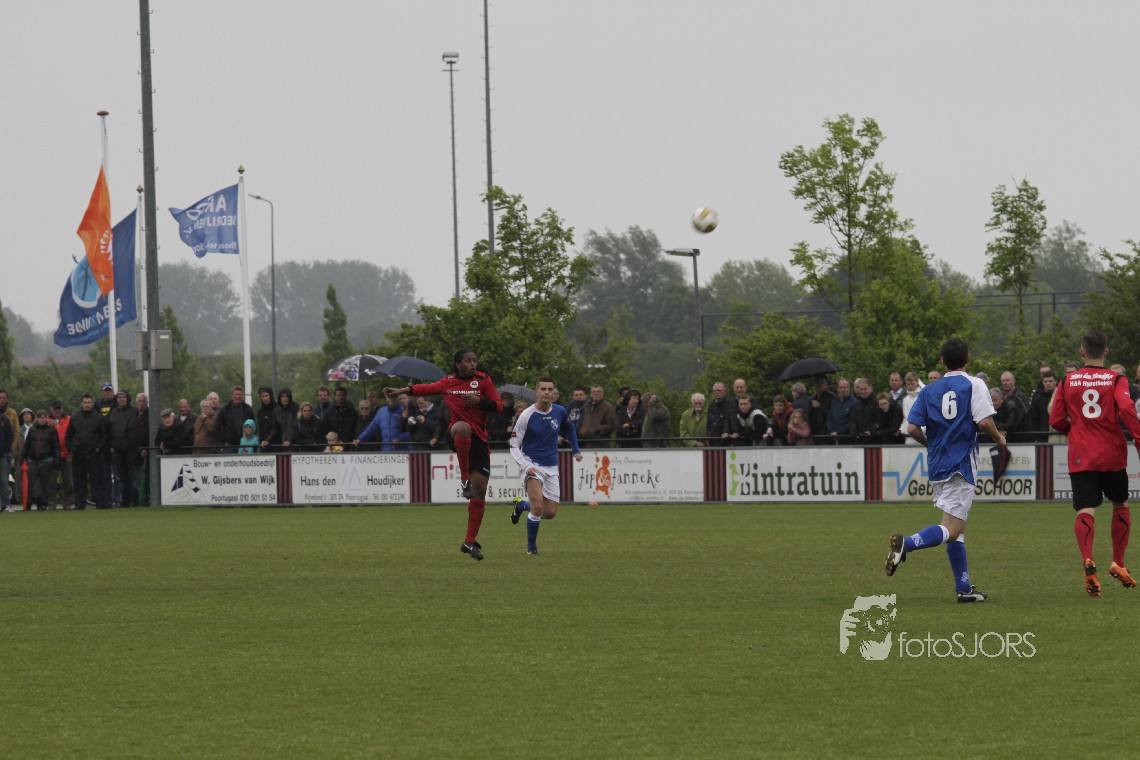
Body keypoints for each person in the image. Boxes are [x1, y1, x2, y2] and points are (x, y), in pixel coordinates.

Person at [885, 338, 1004, 603]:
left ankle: (964, 589)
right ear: (968, 359)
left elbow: (912, 428)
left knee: (957, 527)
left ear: (942, 361)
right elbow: (985, 422)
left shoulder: (929, 390)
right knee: (952, 528)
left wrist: (931, 444)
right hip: (961, 463)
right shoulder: (974, 384)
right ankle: (907, 543)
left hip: (938, 464)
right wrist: (999, 438)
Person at [385, 348, 503, 561]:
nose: (472, 364)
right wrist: (400, 390)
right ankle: (464, 479)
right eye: (468, 361)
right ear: (458, 364)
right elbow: (424, 388)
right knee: (463, 427)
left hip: (479, 441)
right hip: (456, 433)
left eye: (474, 361)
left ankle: (469, 541)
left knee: (480, 491)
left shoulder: (483, 380)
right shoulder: (448, 382)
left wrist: (479, 402)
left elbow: (499, 406)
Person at [1049, 329, 1140, 596]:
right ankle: (1118, 562)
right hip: (1111, 454)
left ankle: (1088, 560)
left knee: (1085, 509)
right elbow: (1126, 408)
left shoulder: (1067, 381)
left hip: (1081, 454)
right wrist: (1138, 438)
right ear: (1106, 352)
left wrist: (1075, 432)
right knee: (1120, 504)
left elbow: (1055, 419)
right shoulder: (1116, 379)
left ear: (1081, 352)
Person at [508, 377, 584, 555]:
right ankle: (532, 548)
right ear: (537, 392)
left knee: (549, 513)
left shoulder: (560, 411)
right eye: (543, 389)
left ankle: (521, 505)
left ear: (553, 392)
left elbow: (569, 428)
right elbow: (513, 445)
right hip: (531, 463)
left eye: (550, 389)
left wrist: (575, 449)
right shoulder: (526, 416)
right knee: (537, 507)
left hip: (551, 466)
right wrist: (525, 466)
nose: (547, 392)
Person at [67, 393, 110, 509]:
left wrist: (98, 448)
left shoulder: (99, 417)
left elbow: (104, 435)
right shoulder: (74, 417)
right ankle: (79, 504)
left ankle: (100, 503)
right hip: (78, 454)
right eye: (85, 403)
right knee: (78, 480)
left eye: (89, 402)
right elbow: (68, 436)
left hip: (94, 454)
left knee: (97, 480)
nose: (87, 405)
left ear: (92, 403)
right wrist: (72, 448)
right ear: (81, 404)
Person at [21, 410, 59, 510]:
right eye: (40, 417)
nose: (42, 420)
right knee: (31, 483)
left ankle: (44, 503)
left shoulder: (52, 430)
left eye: (44, 417)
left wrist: (57, 460)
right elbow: (26, 445)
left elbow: (56, 446)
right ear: (37, 418)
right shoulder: (32, 429)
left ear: (46, 418)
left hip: (46, 459)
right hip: (32, 460)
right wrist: (23, 458)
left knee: (45, 483)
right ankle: (28, 503)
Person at [48, 400, 73, 508]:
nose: (57, 410)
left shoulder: (69, 419)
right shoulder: (46, 420)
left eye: (59, 408)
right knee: (51, 482)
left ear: (62, 408)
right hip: (52, 455)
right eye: (55, 408)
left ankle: (68, 503)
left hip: (66, 454)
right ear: (51, 409)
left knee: (68, 482)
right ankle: (51, 504)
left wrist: (71, 449)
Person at [215, 386, 256, 451]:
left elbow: (254, 425)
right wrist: (223, 441)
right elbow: (216, 428)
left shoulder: (248, 409)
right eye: (236, 394)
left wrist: (251, 440)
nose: (238, 396)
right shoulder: (224, 410)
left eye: (240, 395)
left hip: (245, 445)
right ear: (232, 396)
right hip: (229, 446)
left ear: (243, 396)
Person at [579, 384, 617, 448]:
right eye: (593, 392)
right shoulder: (587, 406)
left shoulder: (608, 407)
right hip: (586, 443)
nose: (596, 393)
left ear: (602, 393)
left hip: (601, 444)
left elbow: (612, 425)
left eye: (598, 391)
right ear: (591, 394)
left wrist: (596, 429)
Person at [1027, 371, 1057, 440]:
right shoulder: (1038, 399)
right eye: (1045, 381)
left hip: (1058, 433)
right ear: (1043, 382)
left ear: (1055, 381)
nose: (1048, 383)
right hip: (1042, 435)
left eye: (1050, 381)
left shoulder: (1061, 397)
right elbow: (1034, 419)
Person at [898, 372, 925, 445]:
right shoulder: (905, 399)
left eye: (912, 384)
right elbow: (905, 417)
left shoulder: (923, 396)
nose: (910, 386)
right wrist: (902, 429)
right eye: (908, 384)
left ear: (917, 382)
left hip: (921, 433)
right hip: (908, 435)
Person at [254, 387, 277, 451]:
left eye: (266, 395)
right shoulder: (260, 411)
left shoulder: (278, 409)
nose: (265, 398)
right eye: (263, 396)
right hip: (263, 445)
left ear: (271, 396)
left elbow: (276, 427)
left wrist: (268, 440)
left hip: (276, 444)